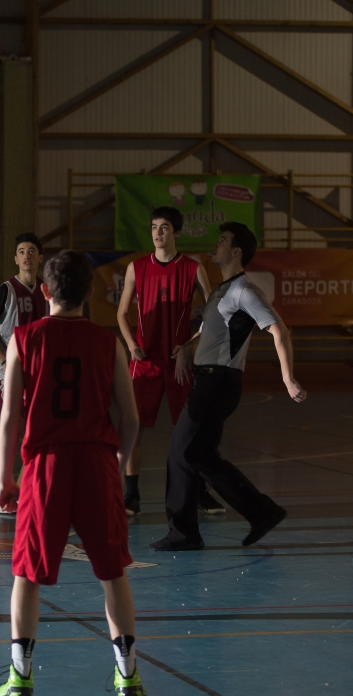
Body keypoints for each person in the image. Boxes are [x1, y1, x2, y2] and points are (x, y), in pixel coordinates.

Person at [0, 251, 147, 696]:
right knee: (113, 573)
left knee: (26, 574)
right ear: (90, 292)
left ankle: (20, 681)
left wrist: (6, 476)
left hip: (46, 466)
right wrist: (116, 464)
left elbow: (9, 416)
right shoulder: (108, 343)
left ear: (44, 291)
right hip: (97, 463)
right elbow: (131, 418)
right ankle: (129, 680)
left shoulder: (24, 338)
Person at [151, 222, 306, 552]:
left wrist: (287, 377)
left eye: (222, 241)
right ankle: (261, 512)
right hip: (208, 380)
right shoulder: (220, 292)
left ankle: (184, 534)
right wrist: (185, 348)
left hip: (218, 383)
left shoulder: (245, 291)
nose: (215, 244)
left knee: (181, 452)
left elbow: (280, 330)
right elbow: (206, 332)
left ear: (236, 252)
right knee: (201, 456)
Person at [116, 205, 222, 517]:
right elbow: (121, 313)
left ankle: (199, 492)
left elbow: (213, 316)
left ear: (176, 232)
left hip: (179, 362)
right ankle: (131, 496)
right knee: (134, 429)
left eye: (164, 227)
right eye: (154, 227)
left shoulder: (193, 268)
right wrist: (131, 344)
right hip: (145, 361)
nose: (158, 233)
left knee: (192, 430)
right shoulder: (136, 267)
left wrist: (189, 346)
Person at [0, 233, 47, 516]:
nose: (26, 255)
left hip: (40, 369)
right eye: (21, 251)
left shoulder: (47, 290)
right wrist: (3, 359)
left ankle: (29, 490)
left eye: (31, 250)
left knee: (37, 430)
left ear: (40, 257)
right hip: (13, 369)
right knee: (11, 428)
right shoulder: (6, 290)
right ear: (15, 259)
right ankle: (2, 496)